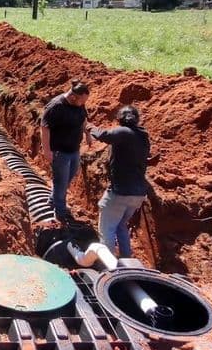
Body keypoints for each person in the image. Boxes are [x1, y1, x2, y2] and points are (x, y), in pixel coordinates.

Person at [87, 105, 151, 257]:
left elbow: (103, 135)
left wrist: (90, 127)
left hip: (121, 191)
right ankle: (126, 257)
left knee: (106, 229)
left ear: (119, 119)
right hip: (138, 194)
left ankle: (109, 266)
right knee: (121, 225)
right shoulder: (143, 136)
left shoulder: (123, 132)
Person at [40, 79, 91, 223]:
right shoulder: (56, 106)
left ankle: (53, 199)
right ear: (73, 97)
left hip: (74, 150)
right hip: (59, 152)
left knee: (68, 178)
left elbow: (83, 119)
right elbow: (44, 127)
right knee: (61, 182)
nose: (83, 103)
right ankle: (60, 213)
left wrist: (87, 134)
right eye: (82, 100)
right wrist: (47, 151)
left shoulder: (79, 104)